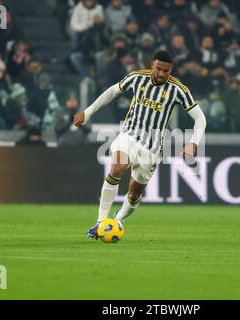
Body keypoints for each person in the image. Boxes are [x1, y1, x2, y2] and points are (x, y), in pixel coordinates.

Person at [73, 50, 207, 239]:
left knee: (134, 194)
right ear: (152, 64)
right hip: (129, 135)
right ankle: (101, 222)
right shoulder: (137, 77)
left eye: (166, 71)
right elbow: (112, 92)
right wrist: (87, 113)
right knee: (118, 167)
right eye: (159, 69)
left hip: (152, 148)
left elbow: (200, 118)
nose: (161, 74)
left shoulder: (178, 90)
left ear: (171, 70)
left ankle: (117, 219)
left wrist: (193, 143)